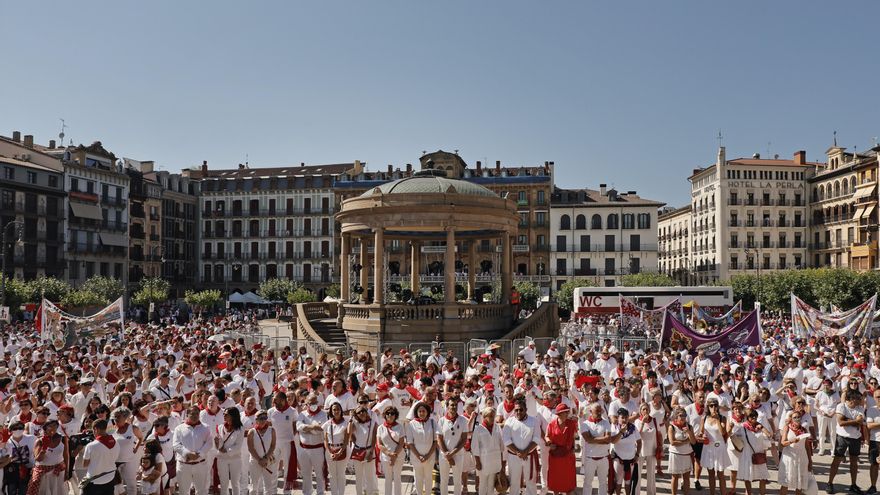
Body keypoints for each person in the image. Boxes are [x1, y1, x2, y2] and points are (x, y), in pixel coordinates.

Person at [828, 390, 865, 494]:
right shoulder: (841, 406)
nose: (860, 400)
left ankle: (853, 484)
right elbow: (840, 422)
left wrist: (847, 420)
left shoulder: (860, 408)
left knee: (854, 462)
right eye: (858, 398)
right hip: (842, 437)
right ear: (852, 399)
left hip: (855, 438)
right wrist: (854, 422)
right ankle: (830, 483)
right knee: (837, 461)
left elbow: (860, 421)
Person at [503, 397, 541, 495]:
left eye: (521, 409)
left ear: (526, 410)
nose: (518, 412)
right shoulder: (509, 422)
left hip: (529, 456)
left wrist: (526, 451)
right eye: (516, 410)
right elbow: (506, 440)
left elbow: (536, 438)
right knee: (514, 482)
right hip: (514, 457)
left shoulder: (534, 421)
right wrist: (518, 452)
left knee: (530, 482)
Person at [173, 406, 212, 495]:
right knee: (183, 492)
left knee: (201, 491)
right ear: (187, 414)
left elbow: (209, 443)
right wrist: (188, 454)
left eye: (197, 414)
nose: (195, 416)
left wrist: (198, 454)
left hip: (200, 464)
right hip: (183, 465)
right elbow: (176, 444)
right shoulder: (179, 428)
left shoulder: (206, 427)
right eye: (192, 414)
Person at [582, 402, 619, 495]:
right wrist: (603, 439)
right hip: (590, 458)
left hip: (603, 458)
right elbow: (588, 439)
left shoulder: (606, 423)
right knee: (587, 482)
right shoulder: (585, 424)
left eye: (600, 411)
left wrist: (593, 439)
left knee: (603, 483)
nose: (599, 413)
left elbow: (608, 440)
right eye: (597, 411)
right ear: (590, 411)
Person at [296, 393, 327, 495]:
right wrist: (313, 427)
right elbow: (299, 427)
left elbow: (320, 430)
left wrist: (307, 428)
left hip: (318, 448)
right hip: (304, 449)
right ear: (306, 403)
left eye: (315, 402)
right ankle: (307, 493)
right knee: (306, 474)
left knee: (319, 473)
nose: (313, 404)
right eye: (311, 403)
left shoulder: (323, 414)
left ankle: (320, 492)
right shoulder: (302, 414)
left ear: (317, 402)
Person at [735, 409, 772, 495]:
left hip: (759, 454)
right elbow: (734, 438)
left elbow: (770, 436)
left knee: (763, 478)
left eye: (755, 416)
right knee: (748, 478)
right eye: (752, 416)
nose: (754, 418)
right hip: (747, 455)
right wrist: (738, 448)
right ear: (747, 418)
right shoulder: (742, 427)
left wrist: (762, 428)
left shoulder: (760, 426)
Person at [438, 397, 468, 495]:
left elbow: (464, 439)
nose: (454, 407)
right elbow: (439, 439)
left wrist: (452, 453)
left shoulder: (463, 420)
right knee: (444, 481)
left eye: (455, 405)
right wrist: (447, 454)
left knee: (457, 481)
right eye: (451, 405)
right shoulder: (442, 420)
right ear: (447, 407)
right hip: (444, 455)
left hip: (458, 454)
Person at [699, 398, 730, 495]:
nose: (714, 407)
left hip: (719, 448)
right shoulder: (704, 418)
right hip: (708, 448)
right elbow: (701, 432)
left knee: (721, 474)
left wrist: (717, 420)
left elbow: (723, 433)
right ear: (708, 407)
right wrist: (702, 436)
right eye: (711, 405)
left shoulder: (722, 418)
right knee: (711, 474)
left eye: (715, 405)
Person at [406, 401, 437, 495]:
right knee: (418, 479)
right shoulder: (411, 424)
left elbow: (435, 441)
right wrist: (419, 456)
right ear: (416, 412)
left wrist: (427, 456)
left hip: (429, 456)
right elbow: (410, 443)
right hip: (416, 457)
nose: (422, 413)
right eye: (420, 411)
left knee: (428, 478)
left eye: (423, 411)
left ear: (427, 412)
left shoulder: (432, 422)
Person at [30, 418, 68, 494]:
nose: (53, 428)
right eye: (50, 426)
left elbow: (66, 455)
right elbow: (38, 459)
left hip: (59, 471)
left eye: (55, 426)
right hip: (43, 472)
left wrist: (67, 471)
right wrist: (44, 449)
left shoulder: (63, 438)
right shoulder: (39, 441)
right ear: (45, 427)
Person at [778, 409, 812, 495]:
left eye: (798, 417)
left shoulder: (804, 430)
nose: (797, 419)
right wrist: (792, 441)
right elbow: (782, 443)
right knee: (786, 483)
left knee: (799, 484)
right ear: (791, 419)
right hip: (789, 458)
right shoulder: (787, 427)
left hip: (802, 457)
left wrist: (810, 461)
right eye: (795, 417)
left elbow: (807, 446)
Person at [472, 406, 504, 495]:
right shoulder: (478, 428)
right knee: (483, 484)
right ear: (485, 416)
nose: (492, 418)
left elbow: (501, 445)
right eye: (490, 416)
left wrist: (501, 462)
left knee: (491, 485)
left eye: (493, 416)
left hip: (495, 460)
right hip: (483, 462)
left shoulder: (497, 427)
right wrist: (477, 462)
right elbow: (475, 447)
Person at [545, 403, 577, 495]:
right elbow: (547, 436)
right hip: (555, 455)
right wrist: (550, 443)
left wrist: (574, 448)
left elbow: (573, 437)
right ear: (559, 414)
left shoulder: (571, 424)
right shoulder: (551, 424)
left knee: (568, 478)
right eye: (564, 412)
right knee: (556, 477)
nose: (567, 414)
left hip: (568, 455)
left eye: (567, 412)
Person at [82, 419, 119, 495]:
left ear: (96, 429)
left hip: (94, 481)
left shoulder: (91, 446)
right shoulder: (116, 443)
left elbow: (84, 465)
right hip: (110, 478)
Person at [610, 408, 641, 495]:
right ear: (618, 418)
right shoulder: (614, 427)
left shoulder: (633, 428)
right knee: (618, 482)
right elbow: (613, 441)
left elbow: (639, 442)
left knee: (628, 482)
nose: (624, 420)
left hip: (631, 459)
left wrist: (637, 455)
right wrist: (621, 432)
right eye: (622, 417)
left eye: (626, 417)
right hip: (618, 459)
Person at [348, 404, 378, 495]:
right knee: (359, 477)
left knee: (369, 477)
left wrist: (371, 452)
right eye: (359, 412)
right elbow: (349, 433)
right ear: (356, 415)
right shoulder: (355, 423)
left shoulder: (373, 423)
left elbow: (374, 439)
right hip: (358, 452)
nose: (361, 413)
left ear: (366, 412)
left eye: (363, 411)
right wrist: (350, 418)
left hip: (369, 451)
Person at [214, 407, 243, 495]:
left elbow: (238, 445)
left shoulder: (240, 428)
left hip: (235, 458)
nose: (224, 416)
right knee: (224, 483)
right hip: (222, 458)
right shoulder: (220, 427)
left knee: (235, 483)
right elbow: (219, 444)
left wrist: (226, 450)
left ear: (233, 416)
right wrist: (217, 443)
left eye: (226, 414)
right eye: (224, 414)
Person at [667, 407, 696, 495]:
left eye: (684, 415)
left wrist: (689, 432)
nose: (683, 417)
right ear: (676, 416)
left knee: (686, 477)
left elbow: (693, 442)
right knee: (675, 477)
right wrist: (685, 441)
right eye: (681, 415)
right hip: (676, 454)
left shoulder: (689, 426)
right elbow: (672, 442)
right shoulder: (672, 427)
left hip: (686, 454)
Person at [378, 406, 406, 495]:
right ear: (385, 415)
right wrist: (389, 454)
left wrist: (394, 456)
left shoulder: (400, 427)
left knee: (397, 478)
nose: (390, 415)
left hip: (399, 456)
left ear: (395, 415)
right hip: (386, 457)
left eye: (392, 413)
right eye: (388, 413)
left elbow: (401, 443)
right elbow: (379, 444)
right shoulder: (380, 428)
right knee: (388, 479)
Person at [247, 410, 276, 495]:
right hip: (255, 461)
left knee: (268, 487)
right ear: (256, 419)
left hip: (268, 461)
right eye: (260, 418)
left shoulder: (272, 430)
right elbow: (251, 448)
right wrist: (259, 460)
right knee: (253, 487)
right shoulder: (251, 432)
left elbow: (273, 446)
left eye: (265, 418)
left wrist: (265, 458)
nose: (263, 420)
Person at [323, 402, 349, 495]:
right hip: (330, 450)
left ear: (341, 410)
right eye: (334, 409)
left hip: (342, 449)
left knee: (341, 474)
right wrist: (329, 452)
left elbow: (346, 440)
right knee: (333, 475)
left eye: (338, 409)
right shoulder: (327, 424)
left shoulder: (346, 423)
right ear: (331, 411)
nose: (336, 411)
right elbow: (325, 440)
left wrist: (340, 452)